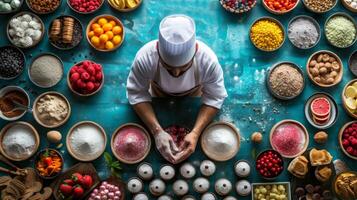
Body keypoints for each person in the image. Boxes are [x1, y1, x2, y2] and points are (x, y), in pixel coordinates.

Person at [126, 14, 227, 164]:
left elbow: (215, 97)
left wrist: (195, 132)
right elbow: (136, 93)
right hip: (158, 90)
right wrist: (157, 131)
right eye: (168, 67)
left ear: (196, 49)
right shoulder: (145, 57)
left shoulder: (208, 61)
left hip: (194, 91)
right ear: (158, 52)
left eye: (184, 67)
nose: (176, 74)